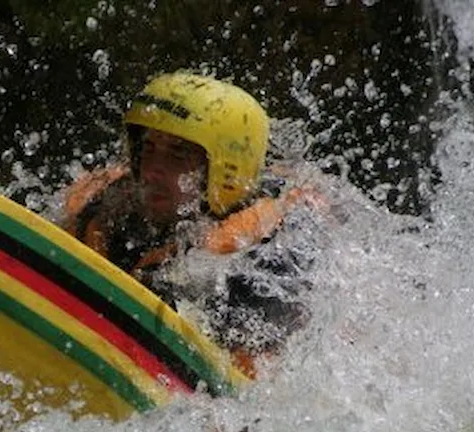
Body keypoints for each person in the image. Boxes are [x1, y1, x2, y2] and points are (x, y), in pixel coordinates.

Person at [61, 72, 331, 379]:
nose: (152, 171)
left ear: (222, 169)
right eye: (148, 149)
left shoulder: (269, 261)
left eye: (178, 154)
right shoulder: (105, 206)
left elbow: (249, 397)